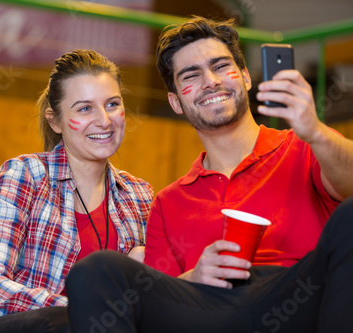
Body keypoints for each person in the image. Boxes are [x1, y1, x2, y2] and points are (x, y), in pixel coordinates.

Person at [65, 17, 353, 332]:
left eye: (220, 67)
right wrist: (195, 277)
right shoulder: (167, 203)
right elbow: (158, 300)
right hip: (209, 309)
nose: (210, 81)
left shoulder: (305, 149)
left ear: (245, 77)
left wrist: (315, 132)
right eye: (192, 75)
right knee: (96, 270)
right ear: (176, 102)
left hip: (297, 297)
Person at [0, 49, 153, 333]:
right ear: (55, 121)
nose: (105, 120)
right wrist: (78, 308)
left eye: (112, 104)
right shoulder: (25, 174)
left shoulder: (139, 195)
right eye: (85, 108)